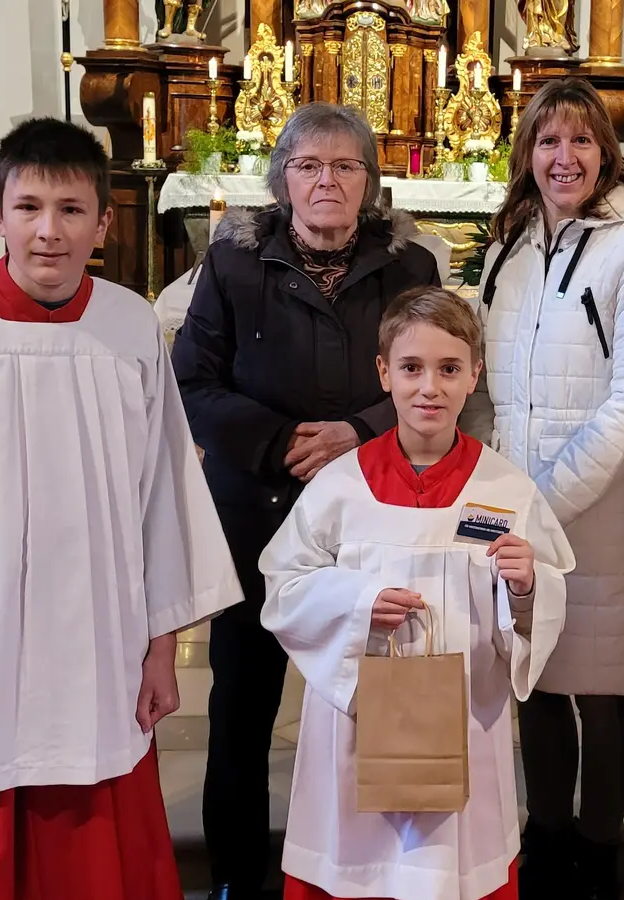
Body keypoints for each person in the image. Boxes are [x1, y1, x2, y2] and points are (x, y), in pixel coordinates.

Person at [0, 117, 242, 899]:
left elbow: (164, 495)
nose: (48, 231)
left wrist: (162, 646)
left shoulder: (130, 324)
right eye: (28, 206)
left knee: (94, 818)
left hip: (98, 637)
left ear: (104, 222)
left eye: (71, 209)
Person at [173, 102, 442, 900]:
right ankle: (236, 874)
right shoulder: (230, 266)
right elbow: (190, 382)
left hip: (376, 516)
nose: (327, 180)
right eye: (309, 165)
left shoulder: (410, 269)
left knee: (384, 691)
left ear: (370, 181)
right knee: (243, 702)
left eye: (345, 165)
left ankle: (389, 863)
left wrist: (360, 428)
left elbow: (437, 374)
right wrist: (280, 438)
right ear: (283, 179)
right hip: (257, 509)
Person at [260, 285, 575, 900]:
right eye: (411, 368)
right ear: (384, 373)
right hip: (358, 723)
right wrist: (353, 605)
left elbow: (545, 598)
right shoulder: (340, 486)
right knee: (356, 858)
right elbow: (284, 585)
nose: (429, 387)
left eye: (449, 369)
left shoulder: (505, 489)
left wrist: (527, 586)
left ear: (474, 375)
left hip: (461, 720)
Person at [462, 78, 624, 899]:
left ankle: (598, 853)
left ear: (606, 151)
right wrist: (484, 482)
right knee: (536, 676)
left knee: (601, 683)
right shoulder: (510, 245)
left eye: (581, 141)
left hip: (603, 507)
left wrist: (544, 502)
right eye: (549, 142)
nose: (565, 158)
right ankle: (546, 832)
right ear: (527, 154)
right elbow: (486, 384)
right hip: (516, 494)